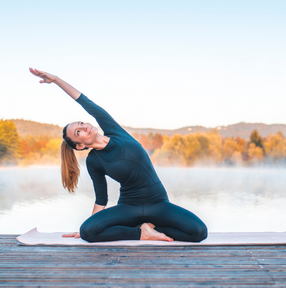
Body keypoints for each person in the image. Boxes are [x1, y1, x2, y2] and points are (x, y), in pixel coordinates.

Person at [29, 68, 208, 243]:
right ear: (80, 145)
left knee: (199, 232)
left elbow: (85, 101)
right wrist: (92, 224)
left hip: (158, 203)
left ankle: (150, 229)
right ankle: (141, 233)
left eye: (81, 123)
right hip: (129, 207)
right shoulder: (94, 161)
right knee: (88, 231)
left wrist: (56, 80)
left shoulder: (115, 131)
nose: (84, 126)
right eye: (78, 132)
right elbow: (101, 198)